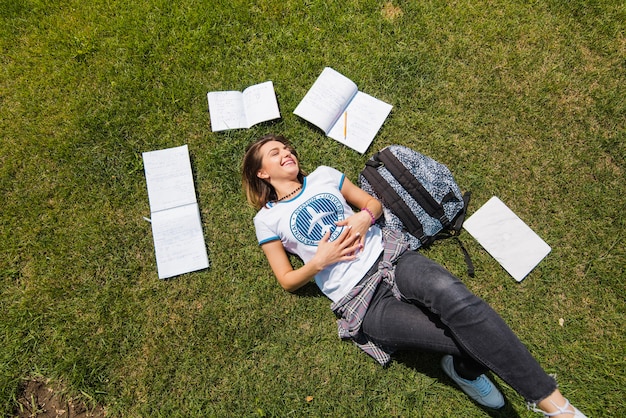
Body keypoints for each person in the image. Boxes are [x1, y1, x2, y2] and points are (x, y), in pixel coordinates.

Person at [242, 134, 586, 417]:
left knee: (458, 300)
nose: (287, 153)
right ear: (261, 173)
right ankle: (463, 369)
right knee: (460, 339)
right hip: (361, 300)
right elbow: (287, 279)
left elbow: (372, 205)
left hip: (391, 258)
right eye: (275, 153)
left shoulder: (324, 177)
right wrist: (320, 262)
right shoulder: (267, 220)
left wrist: (364, 217)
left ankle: (558, 407)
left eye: (287, 148)